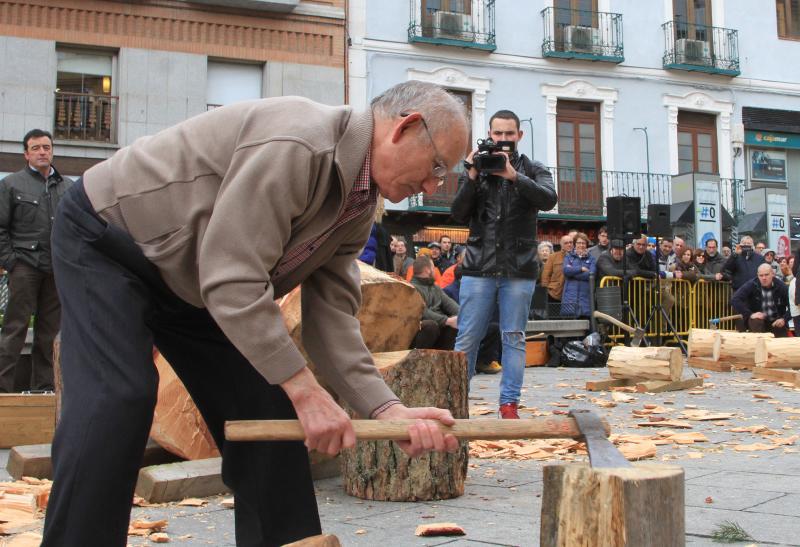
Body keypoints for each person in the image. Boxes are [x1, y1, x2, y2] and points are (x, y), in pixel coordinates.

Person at [42, 81, 469, 546]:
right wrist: (307, 392)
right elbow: (232, 278)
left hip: (194, 281)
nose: (432, 186)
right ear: (404, 128)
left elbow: (331, 315)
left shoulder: (359, 202)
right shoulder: (300, 145)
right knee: (117, 398)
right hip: (109, 240)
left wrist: (384, 408)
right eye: (437, 167)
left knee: (270, 420)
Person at [451, 109, 557, 419]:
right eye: (498, 134)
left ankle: (509, 405)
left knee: (513, 337)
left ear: (519, 136)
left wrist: (514, 177)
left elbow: (549, 198)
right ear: (489, 134)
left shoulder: (533, 169)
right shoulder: (477, 170)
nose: (503, 139)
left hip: (519, 267)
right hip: (478, 266)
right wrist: (471, 173)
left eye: (509, 134)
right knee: (468, 336)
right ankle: (458, 403)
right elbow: (458, 213)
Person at [0, 129, 72, 393]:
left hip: (56, 269)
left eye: (46, 147)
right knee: (14, 330)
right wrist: (11, 262)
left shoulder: (68, 187)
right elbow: (0, 228)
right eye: (36, 148)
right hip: (24, 267)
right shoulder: (11, 184)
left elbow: (74, 229)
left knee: (48, 334)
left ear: (52, 150)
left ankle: (44, 390)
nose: (42, 152)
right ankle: (3, 393)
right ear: (26, 154)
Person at [409, 255, 459, 350]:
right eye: (433, 267)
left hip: (440, 328)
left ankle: (444, 360)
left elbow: (450, 304)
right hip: (421, 333)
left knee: (455, 324)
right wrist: (446, 321)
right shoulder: (411, 289)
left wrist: (462, 316)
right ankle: (420, 360)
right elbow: (422, 312)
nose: (435, 270)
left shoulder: (435, 287)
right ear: (428, 270)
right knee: (431, 326)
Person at [731, 263, 791, 337]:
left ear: (773, 274)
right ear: (757, 275)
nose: (764, 278)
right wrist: (750, 314)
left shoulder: (782, 287)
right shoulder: (752, 284)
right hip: (759, 321)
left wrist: (784, 319)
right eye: (761, 275)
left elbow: (792, 305)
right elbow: (735, 299)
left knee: (780, 332)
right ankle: (758, 344)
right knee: (756, 321)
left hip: (776, 321)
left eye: (766, 275)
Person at [561, 232, 596, 318]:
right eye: (578, 243)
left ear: (586, 245)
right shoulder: (568, 257)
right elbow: (566, 271)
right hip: (570, 298)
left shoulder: (591, 259)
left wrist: (572, 273)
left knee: (585, 325)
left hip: (585, 299)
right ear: (575, 244)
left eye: (583, 243)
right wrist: (581, 269)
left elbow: (591, 274)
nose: (581, 245)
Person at [541, 234, 572, 311]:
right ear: (561, 244)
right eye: (566, 243)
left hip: (571, 294)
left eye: (571, 242)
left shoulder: (576, 256)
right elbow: (545, 276)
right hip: (554, 293)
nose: (569, 244)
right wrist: (547, 291)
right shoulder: (553, 257)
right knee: (554, 316)